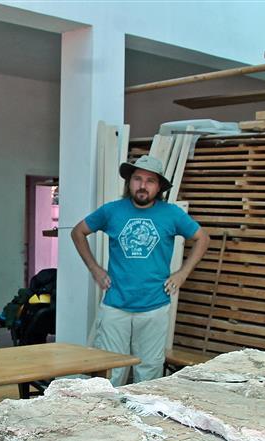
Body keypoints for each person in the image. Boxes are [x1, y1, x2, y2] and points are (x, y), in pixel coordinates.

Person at [71, 155, 209, 385]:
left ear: (159, 187)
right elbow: (78, 232)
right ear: (129, 182)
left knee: (149, 372)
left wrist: (182, 273)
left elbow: (202, 238)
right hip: (116, 304)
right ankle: (107, 417)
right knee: (110, 371)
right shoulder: (111, 211)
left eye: (150, 181)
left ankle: (142, 418)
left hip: (154, 305)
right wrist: (94, 269)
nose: (143, 185)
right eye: (137, 179)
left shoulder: (171, 213)